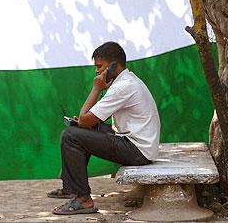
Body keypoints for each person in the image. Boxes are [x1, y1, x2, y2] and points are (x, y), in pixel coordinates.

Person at [48, 41, 160, 215]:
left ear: (114, 65)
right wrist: (83, 123)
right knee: (80, 129)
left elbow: (85, 119)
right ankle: (72, 188)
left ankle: (83, 200)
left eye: (100, 66)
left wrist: (96, 89)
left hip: (137, 151)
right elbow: (89, 121)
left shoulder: (123, 87)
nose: (97, 71)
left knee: (70, 135)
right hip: (137, 145)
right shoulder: (126, 81)